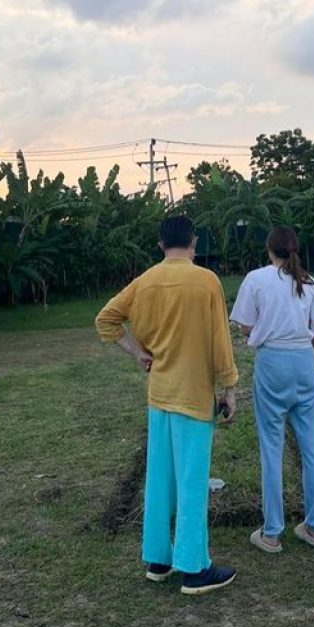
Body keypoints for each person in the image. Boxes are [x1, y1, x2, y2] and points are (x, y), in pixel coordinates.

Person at [95, 215, 239, 595]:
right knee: (192, 481)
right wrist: (229, 388)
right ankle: (195, 568)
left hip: (159, 395)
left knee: (159, 479)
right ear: (193, 243)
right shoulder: (206, 280)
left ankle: (158, 559)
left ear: (160, 244)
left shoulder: (145, 282)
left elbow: (105, 320)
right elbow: (220, 340)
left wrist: (137, 353)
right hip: (193, 396)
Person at [230, 226, 314, 554]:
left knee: (271, 447)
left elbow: (245, 325)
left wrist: (266, 331)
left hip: (272, 362)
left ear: (269, 249)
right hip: (304, 361)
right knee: (312, 447)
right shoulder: (310, 283)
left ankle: (272, 532)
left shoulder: (256, 279)